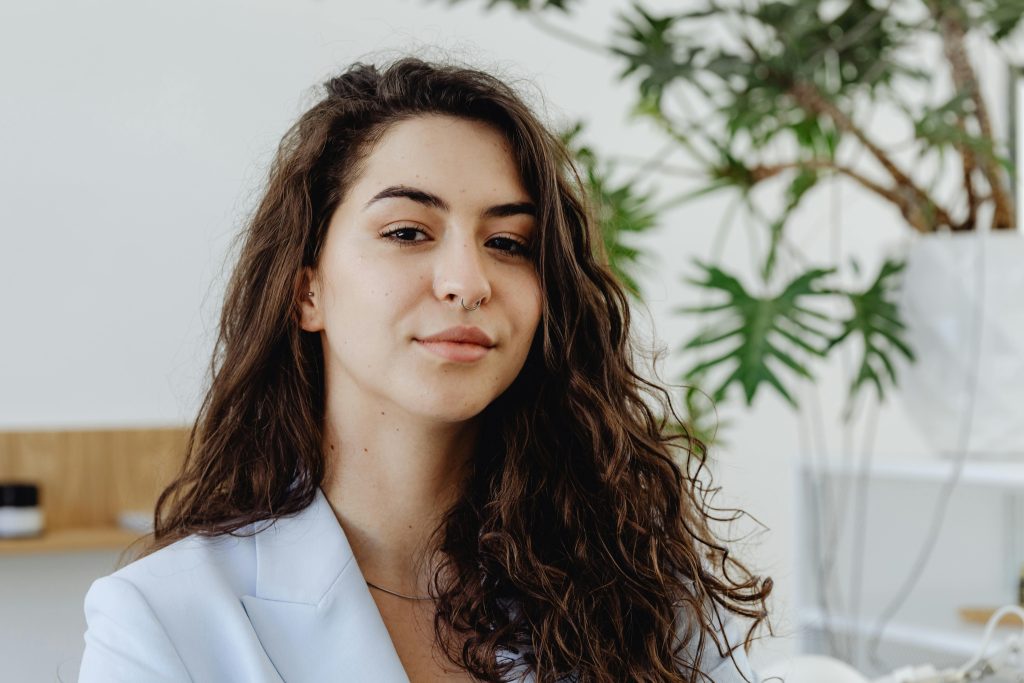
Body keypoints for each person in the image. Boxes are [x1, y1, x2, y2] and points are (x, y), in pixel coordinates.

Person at [78, 56, 772, 682]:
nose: (466, 281)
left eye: (508, 242)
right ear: (306, 289)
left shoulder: (636, 587)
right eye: (408, 232)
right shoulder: (162, 619)